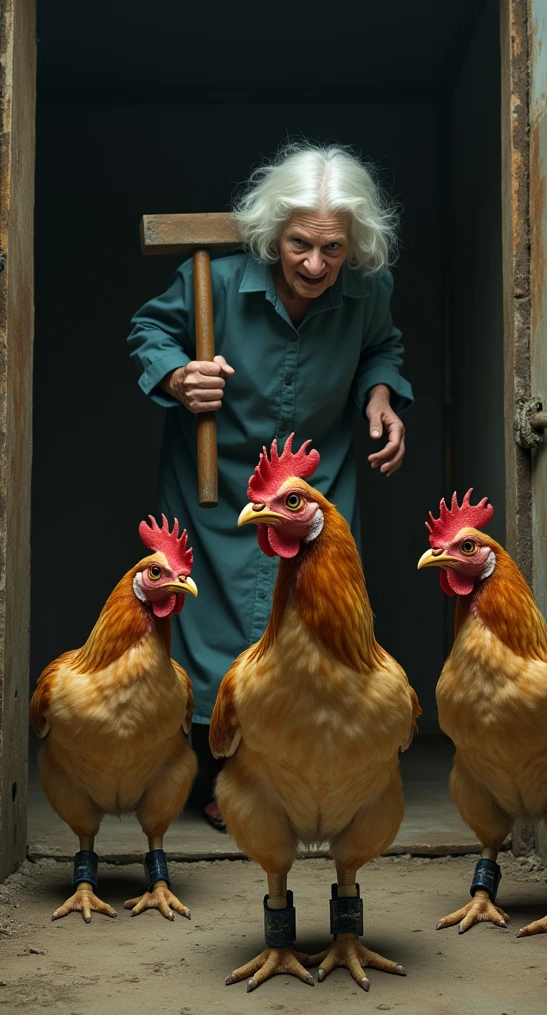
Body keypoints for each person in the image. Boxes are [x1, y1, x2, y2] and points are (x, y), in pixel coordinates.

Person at [127, 142, 414, 828]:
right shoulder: (219, 281)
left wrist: (380, 396)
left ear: (354, 246)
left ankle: (298, 777)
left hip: (317, 476)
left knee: (311, 630)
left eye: (333, 250)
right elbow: (149, 331)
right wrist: (176, 376)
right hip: (217, 480)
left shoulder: (367, 291)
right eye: (299, 245)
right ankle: (225, 778)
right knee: (207, 625)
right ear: (274, 233)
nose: (315, 265)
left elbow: (383, 346)